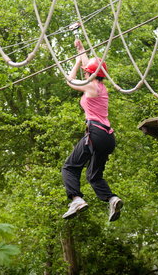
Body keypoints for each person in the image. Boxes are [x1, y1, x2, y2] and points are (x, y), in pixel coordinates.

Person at [61, 39, 123, 221]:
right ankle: (112, 199)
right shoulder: (100, 86)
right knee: (93, 176)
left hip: (95, 133)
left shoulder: (90, 85)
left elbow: (70, 80)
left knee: (70, 167)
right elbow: (90, 66)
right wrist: (81, 50)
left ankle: (76, 199)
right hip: (107, 137)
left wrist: (76, 62)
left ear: (90, 74)